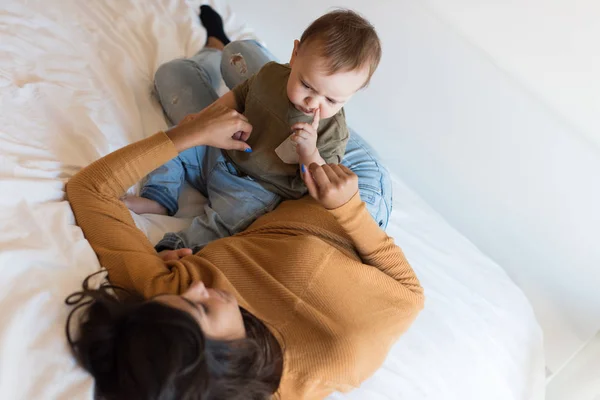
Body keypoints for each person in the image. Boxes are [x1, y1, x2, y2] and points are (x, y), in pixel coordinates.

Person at [66, 99, 424, 399]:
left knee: (203, 90)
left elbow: (90, 190)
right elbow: (409, 296)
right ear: (226, 363)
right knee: (279, 84)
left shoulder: (165, 306)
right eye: (200, 307)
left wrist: (192, 132)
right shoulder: (332, 355)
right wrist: (348, 208)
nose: (194, 286)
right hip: (343, 191)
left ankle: (220, 49)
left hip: (267, 195)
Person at [124, 6, 385, 253]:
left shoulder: (332, 131)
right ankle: (159, 197)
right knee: (178, 142)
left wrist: (309, 153)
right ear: (295, 55)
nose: (314, 102)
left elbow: (318, 188)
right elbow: (241, 93)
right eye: (307, 85)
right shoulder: (272, 74)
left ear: (351, 96)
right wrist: (204, 119)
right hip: (221, 153)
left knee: (228, 221)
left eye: (331, 100)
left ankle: (177, 248)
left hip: (256, 189)